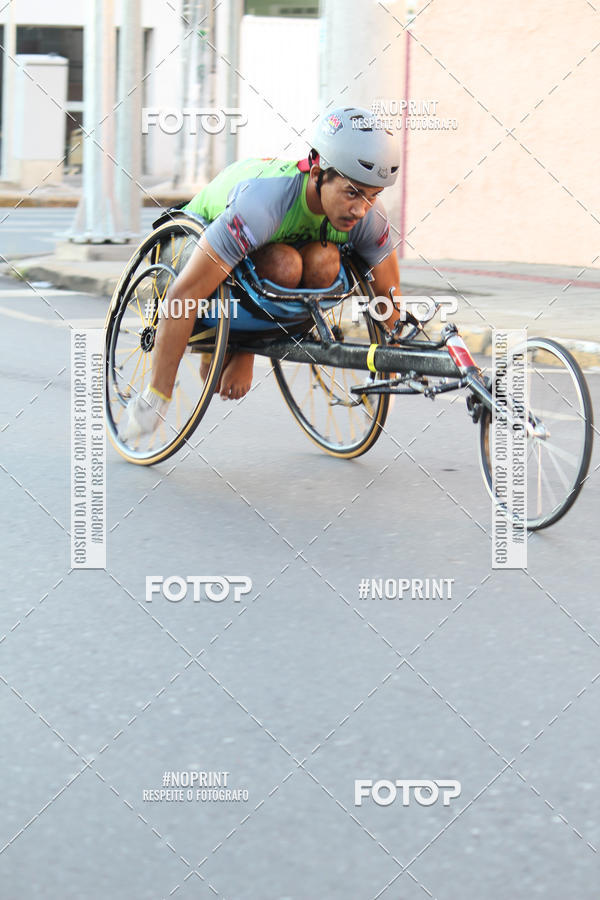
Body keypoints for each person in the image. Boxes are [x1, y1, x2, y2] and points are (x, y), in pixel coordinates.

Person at [119, 106, 403, 441]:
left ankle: (241, 346)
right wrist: (157, 398)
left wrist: (388, 368)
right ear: (316, 174)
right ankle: (232, 348)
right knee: (285, 263)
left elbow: (388, 299)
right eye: (352, 192)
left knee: (326, 262)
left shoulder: (368, 216)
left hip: (262, 285)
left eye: (373, 196)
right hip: (188, 250)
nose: (361, 209)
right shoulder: (263, 206)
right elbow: (183, 296)